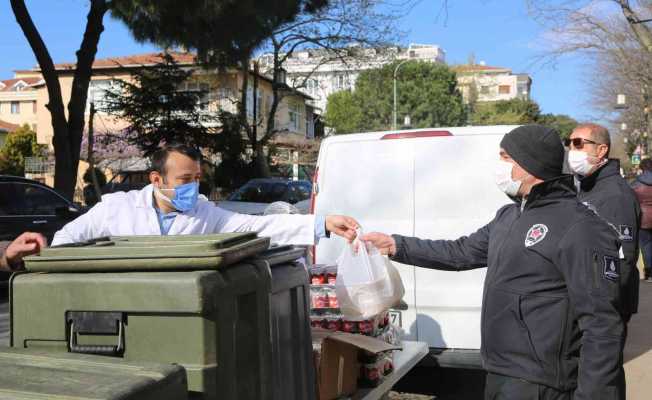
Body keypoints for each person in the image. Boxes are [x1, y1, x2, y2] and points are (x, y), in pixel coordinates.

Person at [361, 125, 624, 400]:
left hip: (542, 382)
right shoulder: (508, 216)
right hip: (500, 370)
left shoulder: (580, 227)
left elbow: (602, 325)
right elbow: (459, 252)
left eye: (505, 157)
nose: (499, 166)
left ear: (530, 163)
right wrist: (396, 245)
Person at [52, 144, 359, 246]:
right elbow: (65, 241)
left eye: (197, 178)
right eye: (185, 179)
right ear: (157, 179)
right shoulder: (116, 209)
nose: (194, 187)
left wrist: (322, 224)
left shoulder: (204, 213)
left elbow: (259, 226)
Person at [566, 122, 641, 322]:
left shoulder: (616, 195)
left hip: (604, 305)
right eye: (570, 144)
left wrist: (604, 305)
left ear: (601, 150)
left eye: (579, 143)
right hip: (587, 299)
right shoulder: (586, 186)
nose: (572, 150)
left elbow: (623, 257)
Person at [633, 158, 652, 282]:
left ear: (641, 168)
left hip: (643, 219)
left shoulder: (635, 184)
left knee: (645, 246)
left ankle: (649, 273)